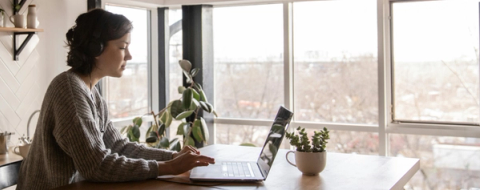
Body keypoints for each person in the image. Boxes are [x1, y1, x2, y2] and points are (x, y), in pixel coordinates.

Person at [16, 8, 214, 190]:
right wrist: (167, 166)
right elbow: (96, 166)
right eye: (122, 47)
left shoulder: (90, 91)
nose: (129, 55)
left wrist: (172, 156)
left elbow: (119, 146)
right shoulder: (70, 90)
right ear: (96, 49)